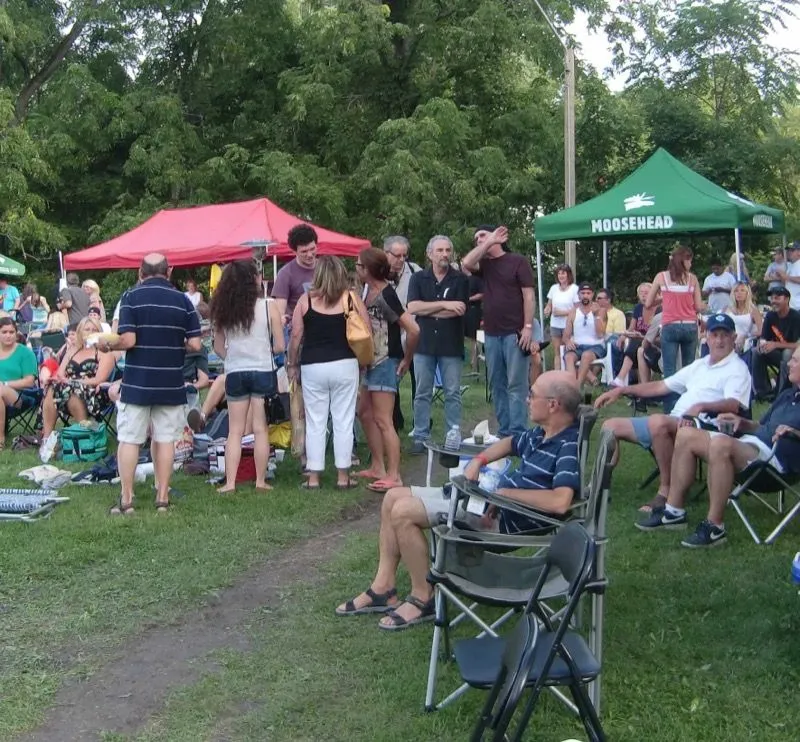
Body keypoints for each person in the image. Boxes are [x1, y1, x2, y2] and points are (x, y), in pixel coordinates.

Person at [334, 370, 581, 630]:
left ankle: (422, 598)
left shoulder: (565, 447)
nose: (527, 399)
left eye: (532, 394)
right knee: (392, 497)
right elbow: (510, 443)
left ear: (553, 405)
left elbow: (560, 502)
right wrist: (478, 461)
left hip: (497, 522)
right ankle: (384, 588)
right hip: (484, 503)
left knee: (403, 512)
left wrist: (505, 494)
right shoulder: (541, 434)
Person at [636, 346, 800, 547]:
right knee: (686, 434)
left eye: (795, 361)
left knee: (721, 443)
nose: (789, 364)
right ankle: (674, 512)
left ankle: (715, 527)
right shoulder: (788, 395)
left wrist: (794, 432)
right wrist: (742, 422)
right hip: (752, 446)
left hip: (777, 462)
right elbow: (762, 426)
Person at [596, 313, 751, 513]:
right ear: (706, 336)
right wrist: (621, 390)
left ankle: (666, 490)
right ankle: (599, 488)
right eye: (715, 334)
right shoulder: (700, 364)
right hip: (675, 419)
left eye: (725, 335)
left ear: (733, 337)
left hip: (702, 426)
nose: (719, 340)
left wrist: (702, 406)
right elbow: (661, 386)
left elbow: (734, 404)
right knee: (610, 427)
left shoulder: (737, 369)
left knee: (658, 422)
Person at [97, 254, 201, 514]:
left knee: (130, 439)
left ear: (140, 272)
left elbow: (128, 340)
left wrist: (107, 343)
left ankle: (127, 500)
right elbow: (196, 344)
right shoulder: (183, 301)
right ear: (169, 272)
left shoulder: (131, 297)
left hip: (138, 381)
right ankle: (163, 499)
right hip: (170, 380)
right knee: (165, 440)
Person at [287, 256, 369, 490]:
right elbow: (366, 330)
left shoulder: (306, 301)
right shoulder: (351, 298)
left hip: (313, 365)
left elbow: (295, 337)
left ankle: (314, 477)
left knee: (315, 421)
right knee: (343, 419)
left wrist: (293, 363)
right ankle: (343, 476)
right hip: (345, 362)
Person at [210, 260, 284, 494]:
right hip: (262, 369)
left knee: (235, 430)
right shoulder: (268, 306)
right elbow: (280, 345)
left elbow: (218, 347)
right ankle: (260, 480)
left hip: (235, 371)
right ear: (254, 279)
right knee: (261, 428)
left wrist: (231, 358)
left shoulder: (224, 310)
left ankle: (230, 483)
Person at [462, 225, 536, 437]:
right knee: (497, 384)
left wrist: (528, 327)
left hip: (515, 332)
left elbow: (529, 295)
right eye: (476, 238)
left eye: (482, 235)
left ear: (499, 237)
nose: (478, 240)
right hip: (491, 333)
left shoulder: (517, 261)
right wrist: (487, 242)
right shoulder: (484, 265)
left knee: (516, 384)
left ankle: (519, 432)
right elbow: (466, 263)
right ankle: (505, 432)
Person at [355, 248, 419, 491]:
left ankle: (394, 474)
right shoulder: (366, 291)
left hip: (385, 361)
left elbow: (413, 329)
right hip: (370, 361)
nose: (357, 269)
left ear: (369, 269)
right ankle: (377, 466)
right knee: (365, 412)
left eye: (360, 265)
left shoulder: (386, 294)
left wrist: (406, 358)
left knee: (383, 419)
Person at [406, 235, 469, 453]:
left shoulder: (460, 279)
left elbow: (458, 310)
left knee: (452, 392)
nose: (444, 254)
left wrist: (430, 309)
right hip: (423, 344)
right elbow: (412, 308)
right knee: (422, 391)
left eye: (448, 250)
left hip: (450, 345)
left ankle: (453, 435)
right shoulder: (418, 279)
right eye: (440, 250)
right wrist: (445, 304)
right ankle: (420, 435)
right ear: (429, 253)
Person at [41, 316, 116, 439]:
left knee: (70, 389)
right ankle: (47, 439)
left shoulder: (104, 352)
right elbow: (60, 373)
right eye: (87, 329)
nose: (91, 333)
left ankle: (85, 433)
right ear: (80, 332)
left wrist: (72, 382)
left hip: (94, 393)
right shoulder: (73, 350)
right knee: (52, 388)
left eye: (94, 330)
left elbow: (99, 379)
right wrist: (61, 381)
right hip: (65, 390)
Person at [645, 245, 703, 378]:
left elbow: (648, 303)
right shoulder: (692, 279)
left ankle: (670, 397)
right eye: (690, 260)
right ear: (684, 261)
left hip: (670, 324)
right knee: (689, 367)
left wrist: (664, 299)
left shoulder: (661, 277)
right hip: (689, 324)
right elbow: (698, 307)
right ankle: (689, 397)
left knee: (669, 368)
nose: (691, 264)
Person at [383, 235, 421, 430]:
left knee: (419, 384)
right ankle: (395, 422)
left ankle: (421, 425)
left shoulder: (416, 272)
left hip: (414, 337)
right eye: (396, 255)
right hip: (389, 341)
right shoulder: (377, 273)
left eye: (404, 255)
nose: (400, 260)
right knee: (391, 384)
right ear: (385, 253)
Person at [751, 286, 800, 401]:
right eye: (772, 298)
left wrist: (776, 345)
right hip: (776, 355)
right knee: (756, 352)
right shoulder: (770, 316)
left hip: (792, 359)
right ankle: (763, 393)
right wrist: (762, 344)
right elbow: (764, 338)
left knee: (788, 353)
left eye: (777, 298)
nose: (773, 301)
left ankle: (781, 393)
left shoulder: (796, 317)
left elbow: (798, 346)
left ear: (787, 299)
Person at [0, 316, 37, 450]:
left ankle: (0, 440)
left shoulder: (25, 353)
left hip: (21, 396)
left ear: (16, 334)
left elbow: (29, 382)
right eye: (4, 332)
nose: (8, 336)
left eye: (11, 332)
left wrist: (4, 384)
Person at [562, 283, 607, 391]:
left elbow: (600, 333)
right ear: (578, 295)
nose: (585, 296)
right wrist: (568, 342)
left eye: (588, 293)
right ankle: (571, 387)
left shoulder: (601, 310)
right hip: (578, 345)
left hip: (595, 346)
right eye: (583, 293)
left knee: (586, 356)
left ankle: (577, 387)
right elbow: (565, 335)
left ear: (592, 295)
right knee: (569, 357)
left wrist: (596, 315)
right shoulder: (573, 312)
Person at [272, 223, 318, 325]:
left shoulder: (326, 269)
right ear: (294, 252)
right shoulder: (285, 274)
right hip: (299, 332)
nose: (310, 255)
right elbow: (280, 313)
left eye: (312, 249)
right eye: (304, 251)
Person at [610, 282, 652, 388]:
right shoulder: (638, 308)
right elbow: (631, 328)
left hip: (651, 338)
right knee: (627, 343)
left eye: (646, 293)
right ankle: (628, 381)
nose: (643, 295)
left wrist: (639, 336)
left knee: (634, 344)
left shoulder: (658, 308)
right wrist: (625, 335)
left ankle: (621, 378)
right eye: (641, 293)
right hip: (637, 337)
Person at [543, 264, 579, 371]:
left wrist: (562, 313)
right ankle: (557, 375)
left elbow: (577, 309)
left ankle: (569, 375)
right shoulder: (553, 288)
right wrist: (547, 309)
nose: (561, 275)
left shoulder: (574, 289)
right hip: (555, 324)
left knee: (568, 350)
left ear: (568, 274)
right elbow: (549, 304)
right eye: (559, 273)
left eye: (563, 273)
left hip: (569, 325)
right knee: (557, 351)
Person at [726, 281, 762, 355]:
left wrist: (746, 335)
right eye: (736, 291)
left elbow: (761, 331)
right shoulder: (728, 309)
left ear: (747, 293)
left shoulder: (753, 310)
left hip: (746, 340)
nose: (739, 293)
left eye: (742, 290)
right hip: (731, 338)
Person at [596, 287, 626, 378]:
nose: (596, 300)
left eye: (599, 298)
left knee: (613, 342)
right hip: (595, 341)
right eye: (596, 298)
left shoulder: (617, 314)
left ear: (608, 300)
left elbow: (618, 334)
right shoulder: (592, 313)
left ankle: (614, 374)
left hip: (609, 340)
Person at [776, 241, 800, 311]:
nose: (789, 252)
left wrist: (786, 276)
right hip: (790, 305)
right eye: (788, 250)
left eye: (792, 250)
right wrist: (781, 276)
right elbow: (786, 283)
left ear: (799, 252)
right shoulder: (790, 265)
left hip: (798, 305)